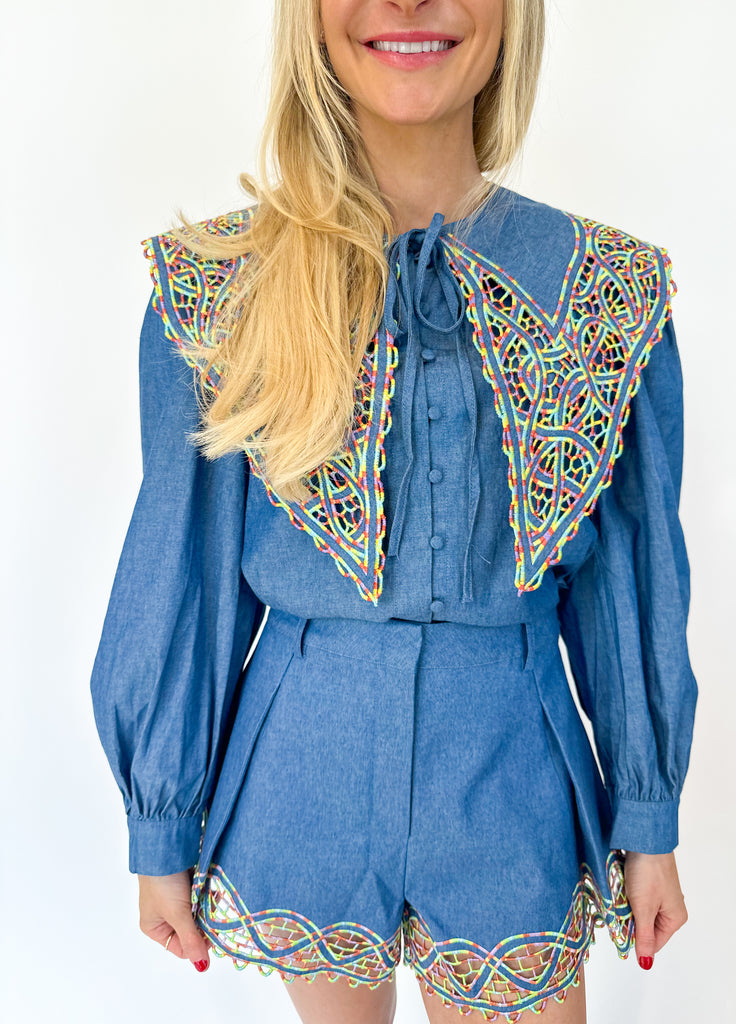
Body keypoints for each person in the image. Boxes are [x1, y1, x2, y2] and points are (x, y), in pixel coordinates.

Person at [89, 0, 698, 1021]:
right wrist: (161, 822)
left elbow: (630, 577)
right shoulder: (223, 285)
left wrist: (648, 814)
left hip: (511, 779)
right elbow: (183, 566)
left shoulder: (604, 292)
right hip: (303, 776)